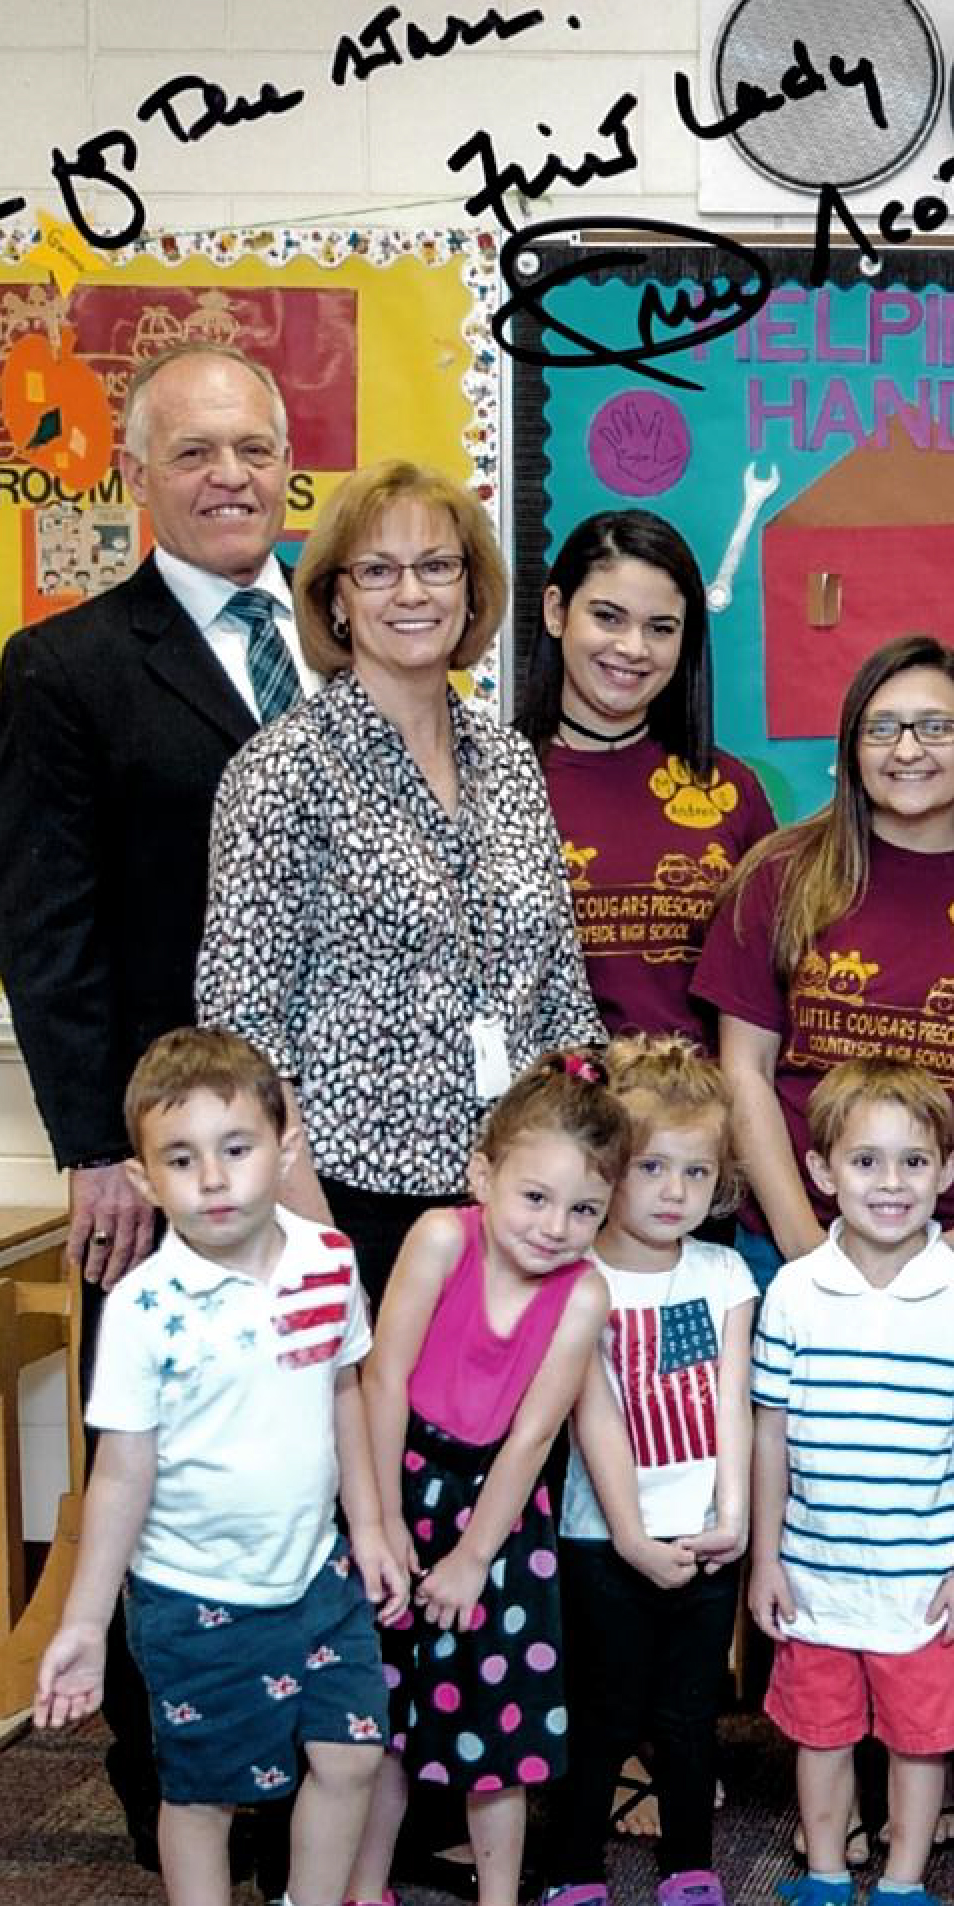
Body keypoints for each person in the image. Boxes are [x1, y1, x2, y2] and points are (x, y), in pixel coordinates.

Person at [0, 343, 305, 1867]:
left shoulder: (339, 645)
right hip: (170, 1160)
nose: (230, 476)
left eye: (253, 448)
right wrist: (95, 1146)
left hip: (334, 1151)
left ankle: (323, 1784)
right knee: (162, 1463)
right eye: (195, 453)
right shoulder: (67, 666)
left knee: (298, 1451)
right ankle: (176, 1799)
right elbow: (41, 927)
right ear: (136, 478)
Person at [29, 1028, 402, 1906]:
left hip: (317, 1580)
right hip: (194, 1599)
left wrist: (371, 1527)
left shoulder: (330, 1264)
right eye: (182, 1158)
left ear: (286, 1146)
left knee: (350, 1757)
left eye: (235, 1147)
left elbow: (345, 1397)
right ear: (145, 1178)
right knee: (201, 1795)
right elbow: (120, 1478)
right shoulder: (145, 1310)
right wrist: (82, 1626)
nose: (212, 1178)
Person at [198, 459, 603, 1308]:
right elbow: (243, 1036)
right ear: (336, 600)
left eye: (436, 566)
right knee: (371, 1445)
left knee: (517, 1445)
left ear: (471, 589)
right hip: (355, 1209)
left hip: (521, 1208)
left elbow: (563, 991)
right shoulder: (283, 770)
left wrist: (574, 1169)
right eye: (377, 571)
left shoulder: (512, 761)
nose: (410, 592)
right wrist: (315, 1243)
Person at [334, 1058, 627, 1906]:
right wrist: (376, 1527)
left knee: (496, 1730)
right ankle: (365, 1903)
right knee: (376, 1719)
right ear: (482, 1173)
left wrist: (470, 1559)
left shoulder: (584, 1297)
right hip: (394, 1485)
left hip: (499, 1518)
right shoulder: (436, 1242)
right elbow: (380, 1384)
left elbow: (536, 1436)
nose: (554, 1226)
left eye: (583, 1210)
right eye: (536, 1196)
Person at [746, 1060, 954, 1906]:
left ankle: (901, 1886)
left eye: (911, 1163)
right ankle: (822, 1876)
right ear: (822, 1173)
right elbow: (769, 1435)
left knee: (917, 1741)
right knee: (819, 1735)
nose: (889, 1185)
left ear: (945, 1171)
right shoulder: (793, 1292)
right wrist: (766, 1559)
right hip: (815, 1569)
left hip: (921, 1578)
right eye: (865, 1163)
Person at [698, 636, 954, 1273]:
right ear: (851, 748)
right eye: (883, 728)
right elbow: (744, 1071)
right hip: (787, 1245)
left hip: (949, 1251)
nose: (909, 749)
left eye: (937, 728)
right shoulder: (779, 877)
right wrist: (804, 1248)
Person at [528, 1038, 758, 1906]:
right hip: (601, 1541)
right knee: (602, 1715)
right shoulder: (580, 1282)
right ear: (611, 1171)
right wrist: (630, 1535)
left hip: (707, 1540)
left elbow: (735, 1405)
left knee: (689, 1717)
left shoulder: (725, 1275)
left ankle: (689, 1876)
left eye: (696, 1172)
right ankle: (571, 1885)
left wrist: (735, 1517)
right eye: (652, 1168)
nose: (674, 1191)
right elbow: (597, 1421)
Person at [520, 509, 775, 1044]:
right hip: (546, 1117)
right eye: (608, 617)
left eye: (660, 629)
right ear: (556, 612)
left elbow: (770, 999)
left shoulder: (732, 792)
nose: (633, 648)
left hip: (702, 1118)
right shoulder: (490, 781)